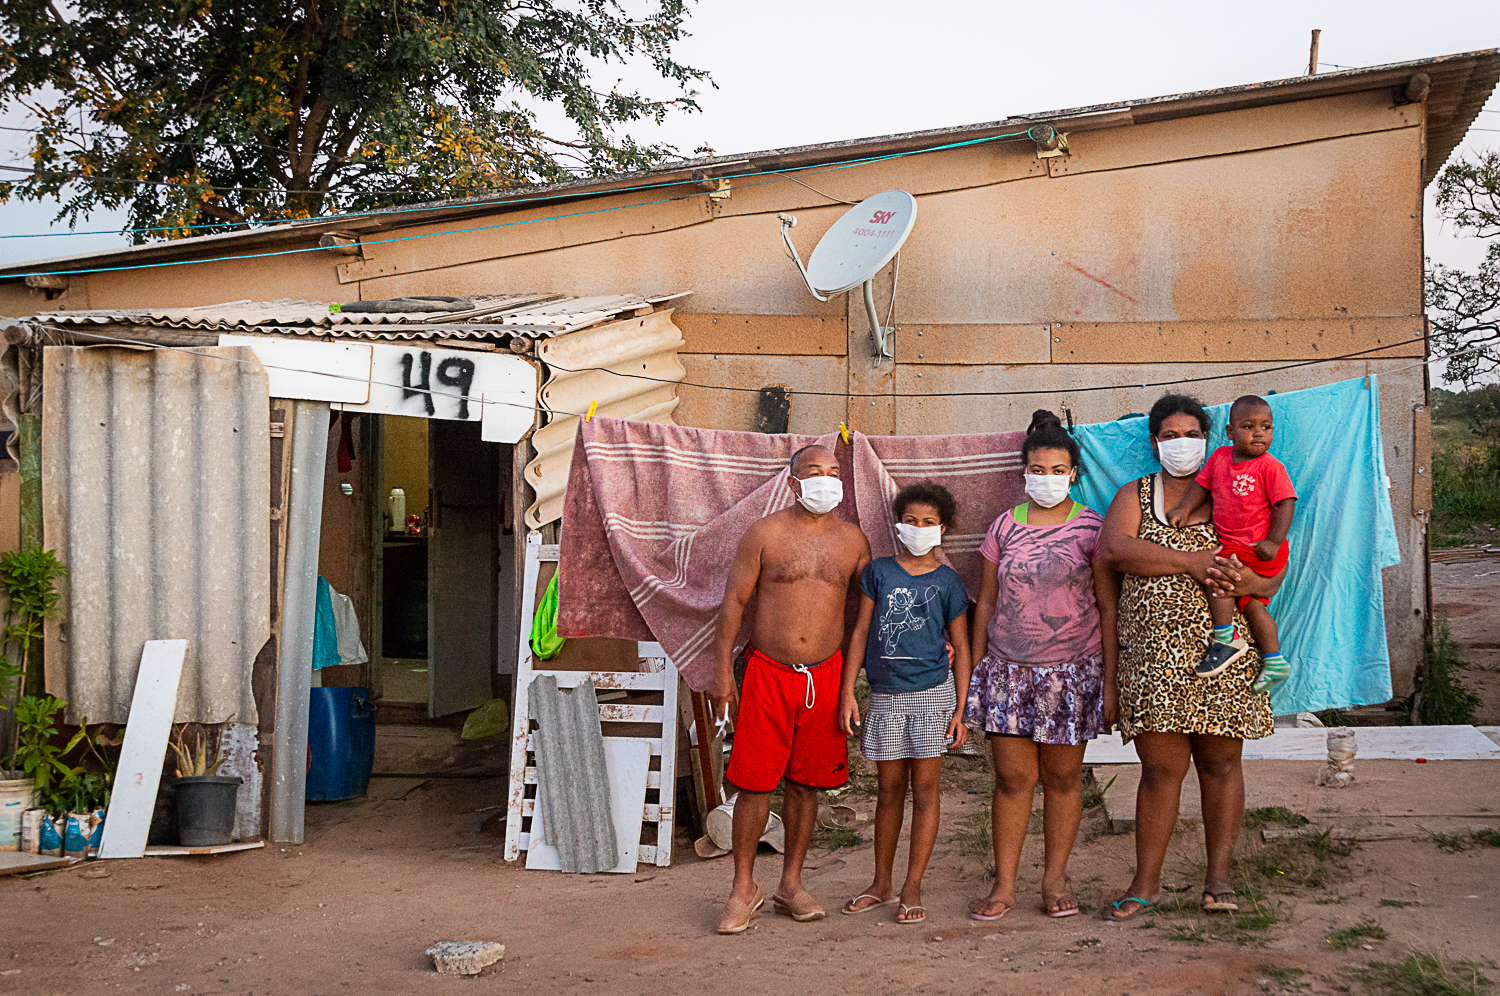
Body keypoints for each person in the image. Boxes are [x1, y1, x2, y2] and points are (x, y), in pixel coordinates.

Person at [1095, 393, 1282, 920]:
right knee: (1159, 770)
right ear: (1154, 442)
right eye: (1170, 435)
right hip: (1154, 661)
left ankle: (1218, 876)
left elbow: (1274, 564)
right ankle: (1145, 884)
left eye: (1192, 434)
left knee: (1222, 764)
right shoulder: (1135, 494)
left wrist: (1249, 579)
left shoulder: (1239, 492)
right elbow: (1116, 551)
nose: (1182, 445)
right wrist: (1192, 561)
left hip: (1224, 656)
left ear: (1212, 437)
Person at [707, 443, 872, 934]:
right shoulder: (766, 534)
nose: (826, 479)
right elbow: (734, 603)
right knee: (754, 781)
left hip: (825, 674)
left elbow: (877, 604)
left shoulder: (854, 541)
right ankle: (743, 888)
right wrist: (721, 674)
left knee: (807, 782)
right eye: (815, 472)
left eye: (834, 471)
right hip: (767, 672)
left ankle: (790, 884)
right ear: (793, 482)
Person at [966, 411, 1109, 922]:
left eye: (1057, 469)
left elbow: (1107, 605)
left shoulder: (1094, 527)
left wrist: (1108, 679)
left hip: (1071, 672)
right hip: (1007, 671)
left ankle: (1054, 878)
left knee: (1064, 778)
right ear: (1022, 472)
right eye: (1036, 468)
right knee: (1010, 779)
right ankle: (1003, 884)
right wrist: (979, 668)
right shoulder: (1003, 526)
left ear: (1074, 473)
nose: (1045, 477)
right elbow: (985, 601)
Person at [837, 481, 973, 925]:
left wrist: (961, 708)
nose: (919, 529)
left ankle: (912, 885)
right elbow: (859, 633)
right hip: (886, 696)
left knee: (926, 791)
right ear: (898, 525)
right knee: (888, 792)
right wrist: (847, 692)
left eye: (928, 523)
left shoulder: (949, 581)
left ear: (942, 529)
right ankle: (881, 883)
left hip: (934, 695)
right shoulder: (878, 572)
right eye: (911, 521)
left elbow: (961, 646)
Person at [1168, 395, 1297, 692]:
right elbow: (1202, 486)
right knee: (1251, 605)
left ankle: (1225, 637)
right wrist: (1183, 509)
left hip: (1257, 548)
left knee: (1217, 574)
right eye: (1248, 426)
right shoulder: (1220, 458)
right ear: (1229, 432)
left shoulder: (1270, 466)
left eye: (1266, 427)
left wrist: (1273, 542)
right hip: (1240, 545)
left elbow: (1286, 503)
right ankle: (1275, 659)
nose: (1258, 433)